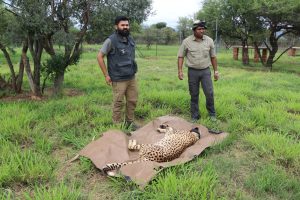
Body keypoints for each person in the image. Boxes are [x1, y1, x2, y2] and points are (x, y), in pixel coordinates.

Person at [97, 16, 139, 130]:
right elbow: (99, 56)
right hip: (118, 78)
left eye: (127, 25)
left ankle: (129, 123)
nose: (125, 27)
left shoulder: (130, 38)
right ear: (116, 26)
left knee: (132, 100)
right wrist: (106, 75)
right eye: (122, 25)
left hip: (131, 77)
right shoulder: (111, 40)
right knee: (118, 102)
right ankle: (117, 126)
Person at [177, 20, 219, 122]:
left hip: (205, 71)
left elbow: (213, 57)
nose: (202, 31)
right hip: (193, 72)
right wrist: (180, 70)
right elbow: (180, 56)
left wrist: (216, 71)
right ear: (194, 30)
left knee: (209, 93)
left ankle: (212, 114)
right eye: (199, 29)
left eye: (203, 29)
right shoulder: (186, 41)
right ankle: (195, 116)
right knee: (194, 94)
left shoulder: (209, 40)